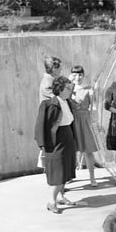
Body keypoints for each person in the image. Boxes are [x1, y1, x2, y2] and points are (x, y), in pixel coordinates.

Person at [34, 76, 85, 213]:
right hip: (57, 142)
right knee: (58, 171)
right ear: (60, 89)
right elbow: (41, 126)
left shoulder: (66, 102)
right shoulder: (50, 104)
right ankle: (51, 201)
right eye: (68, 88)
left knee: (66, 170)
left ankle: (60, 197)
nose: (71, 91)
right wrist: (43, 146)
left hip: (67, 138)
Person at [69, 65, 99, 187]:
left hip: (85, 120)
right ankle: (69, 175)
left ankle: (92, 177)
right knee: (71, 150)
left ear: (83, 75)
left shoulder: (89, 89)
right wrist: (69, 83)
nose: (78, 77)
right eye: (75, 74)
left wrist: (95, 122)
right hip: (71, 120)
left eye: (80, 74)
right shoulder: (68, 88)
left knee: (88, 151)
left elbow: (95, 107)